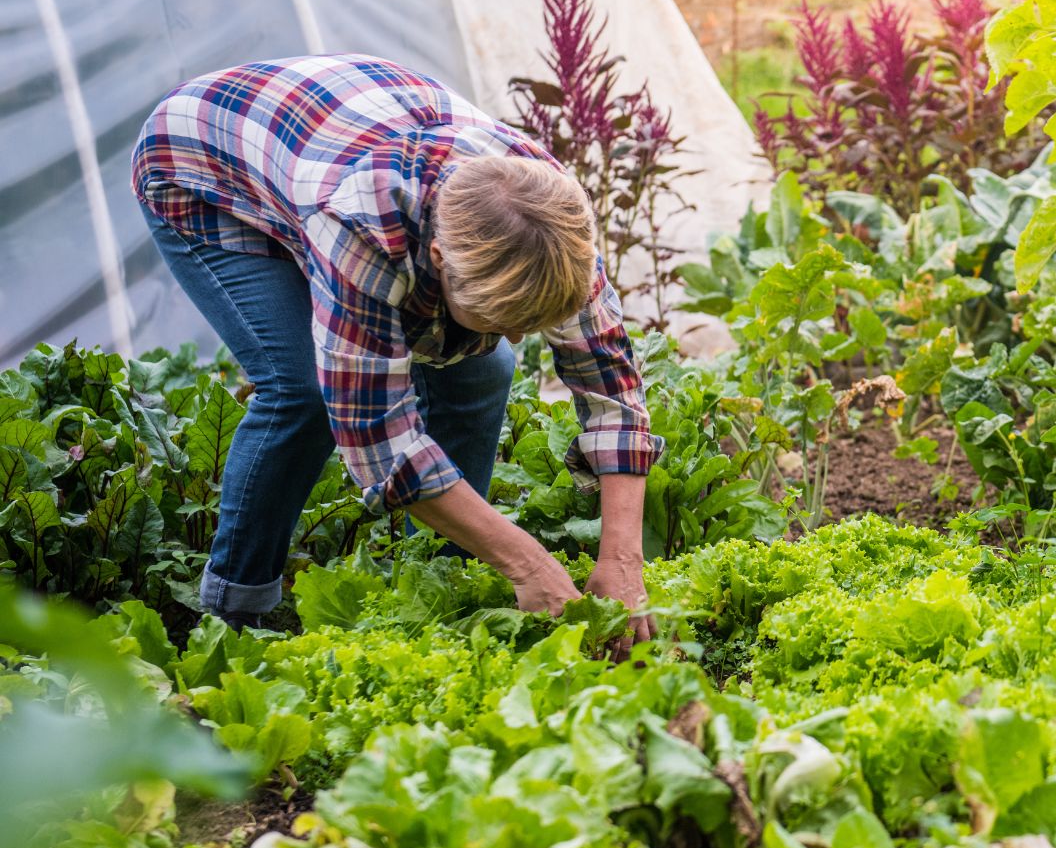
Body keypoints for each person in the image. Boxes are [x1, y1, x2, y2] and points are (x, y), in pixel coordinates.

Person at [134, 54, 662, 642]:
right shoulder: (361, 226)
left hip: (333, 130)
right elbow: (381, 441)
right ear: (438, 260)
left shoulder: (551, 227)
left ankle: (440, 586)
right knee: (304, 393)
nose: (515, 334)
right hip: (201, 164)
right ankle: (233, 611)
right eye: (502, 317)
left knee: (485, 370)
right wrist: (528, 562)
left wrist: (622, 561)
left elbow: (612, 392)